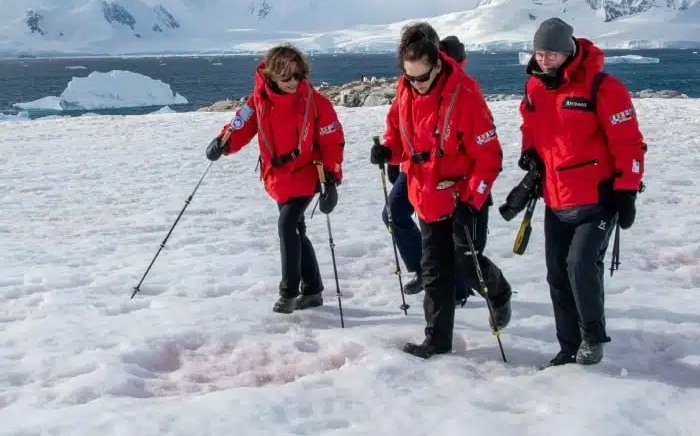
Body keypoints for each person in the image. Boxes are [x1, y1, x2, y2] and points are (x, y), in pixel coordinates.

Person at [507, 17, 645, 367]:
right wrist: (529, 152)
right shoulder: (535, 87)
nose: (544, 60)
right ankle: (568, 346)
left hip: (597, 198)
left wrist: (626, 191)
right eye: (539, 53)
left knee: (580, 266)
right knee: (557, 275)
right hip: (555, 198)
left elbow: (629, 142)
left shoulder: (603, 88)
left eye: (551, 54)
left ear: (568, 52)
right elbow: (530, 123)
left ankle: (592, 339)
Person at [371, 23, 512, 359]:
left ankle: (499, 292)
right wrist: (388, 152)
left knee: (466, 262)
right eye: (410, 77)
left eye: (423, 77)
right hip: (428, 195)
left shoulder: (465, 95)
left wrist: (472, 199)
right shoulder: (405, 91)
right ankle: (437, 340)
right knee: (434, 271)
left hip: (464, 196)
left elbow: (489, 156)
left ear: (437, 64)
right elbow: (398, 134)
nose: (417, 85)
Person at [205, 44, 345, 315]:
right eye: (287, 77)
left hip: (307, 173)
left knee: (288, 224)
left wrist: (332, 180)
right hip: (277, 177)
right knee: (296, 231)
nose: (294, 82)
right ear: (271, 76)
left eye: (298, 75)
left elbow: (332, 141)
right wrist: (222, 143)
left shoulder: (317, 103)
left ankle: (289, 292)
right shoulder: (258, 100)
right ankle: (313, 290)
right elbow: (240, 126)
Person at [381, 30, 471, 303]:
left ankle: (459, 288)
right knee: (394, 215)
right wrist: (391, 152)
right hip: (414, 168)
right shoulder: (409, 81)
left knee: (449, 235)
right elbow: (397, 119)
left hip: (446, 172)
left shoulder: (452, 80)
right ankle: (425, 271)